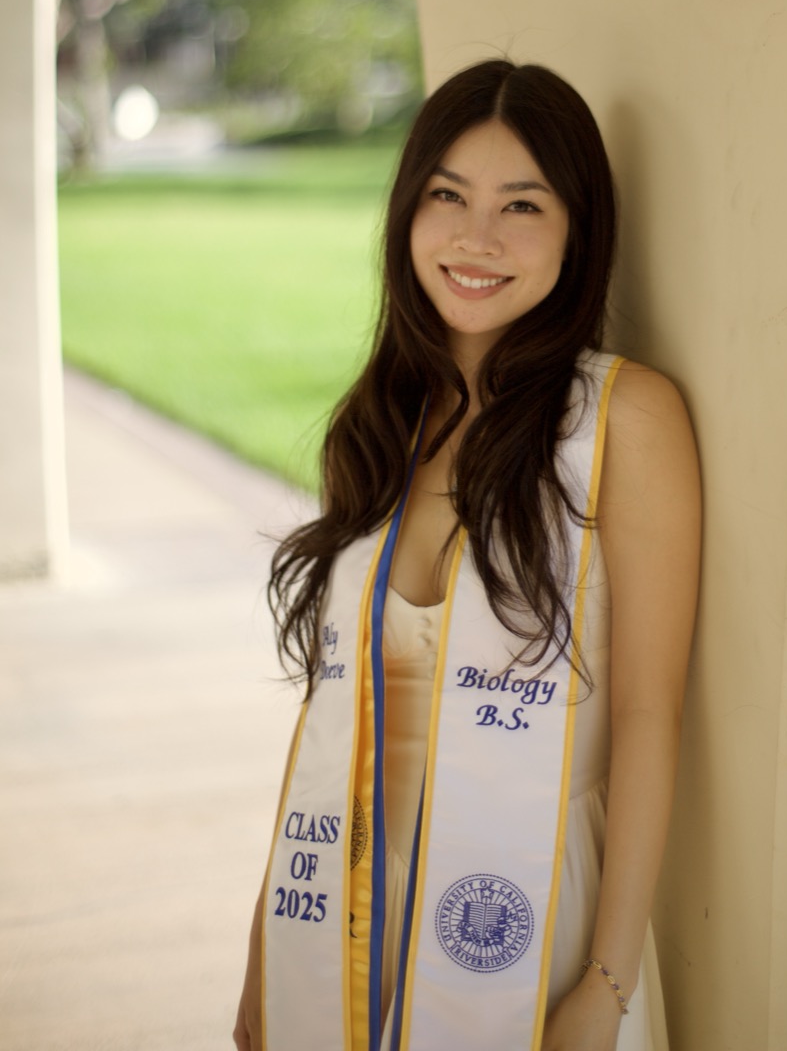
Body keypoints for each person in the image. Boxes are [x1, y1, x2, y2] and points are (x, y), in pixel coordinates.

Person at [234, 59, 701, 1051]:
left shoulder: (624, 421)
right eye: (447, 195)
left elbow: (651, 717)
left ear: (578, 232)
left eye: (520, 205)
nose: (475, 238)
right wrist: (263, 947)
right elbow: (332, 713)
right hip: (353, 900)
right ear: (407, 214)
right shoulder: (382, 425)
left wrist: (605, 986)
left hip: (527, 905)